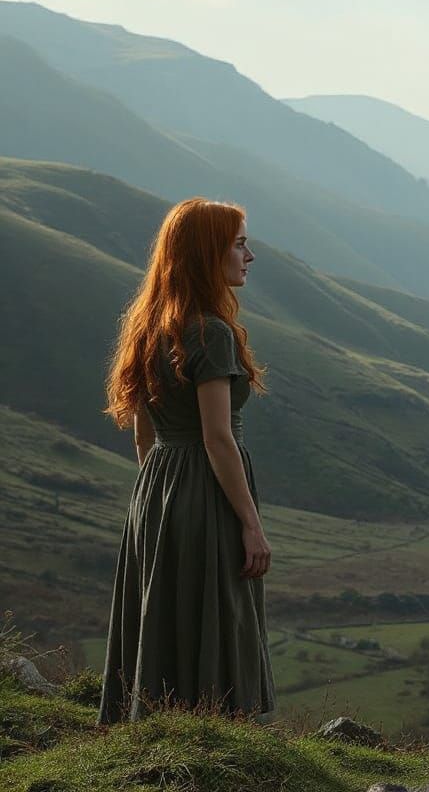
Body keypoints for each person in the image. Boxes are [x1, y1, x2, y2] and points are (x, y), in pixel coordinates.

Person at [96, 197, 277, 725]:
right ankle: (218, 727)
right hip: (206, 487)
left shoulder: (149, 330)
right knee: (218, 606)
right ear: (207, 253)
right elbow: (217, 438)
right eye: (239, 244)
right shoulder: (211, 334)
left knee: (166, 609)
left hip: (156, 490)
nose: (249, 256)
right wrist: (251, 525)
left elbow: (143, 437)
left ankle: (156, 720)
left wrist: (164, 501)